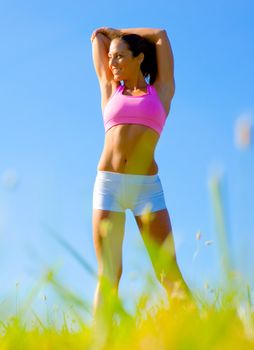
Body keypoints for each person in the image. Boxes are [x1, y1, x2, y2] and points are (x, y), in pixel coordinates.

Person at [90, 27, 194, 322]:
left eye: (121, 56)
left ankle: (197, 335)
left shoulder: (161, 92)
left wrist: (119, 32)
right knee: (109, 274)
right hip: (108, 184)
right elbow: (97, 38)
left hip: (146, 189)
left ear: (140, 58)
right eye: (111, 58)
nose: (113, 63)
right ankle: (100, 341)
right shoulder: (110, 89)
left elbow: (160, 35)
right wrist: (109, 39)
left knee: (167, 272)